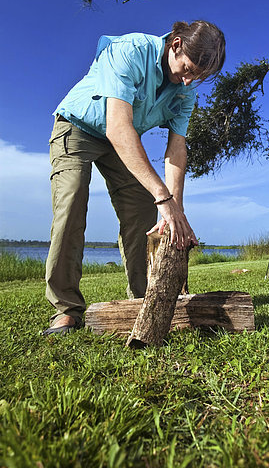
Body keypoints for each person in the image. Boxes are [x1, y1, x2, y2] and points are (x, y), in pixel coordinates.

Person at [42, 20, 226, 336]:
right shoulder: (131, 51)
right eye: (188, 69)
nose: (189, 81)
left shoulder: (185, 93)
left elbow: (176, 150)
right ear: (177, 44)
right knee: (71, 206)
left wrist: (175, 213)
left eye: (198, 77)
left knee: (143, 216)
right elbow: (117, 127)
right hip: (78, 128)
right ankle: (66, 311)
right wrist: (163, 196)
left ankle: (145, 301)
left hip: (123, 144)